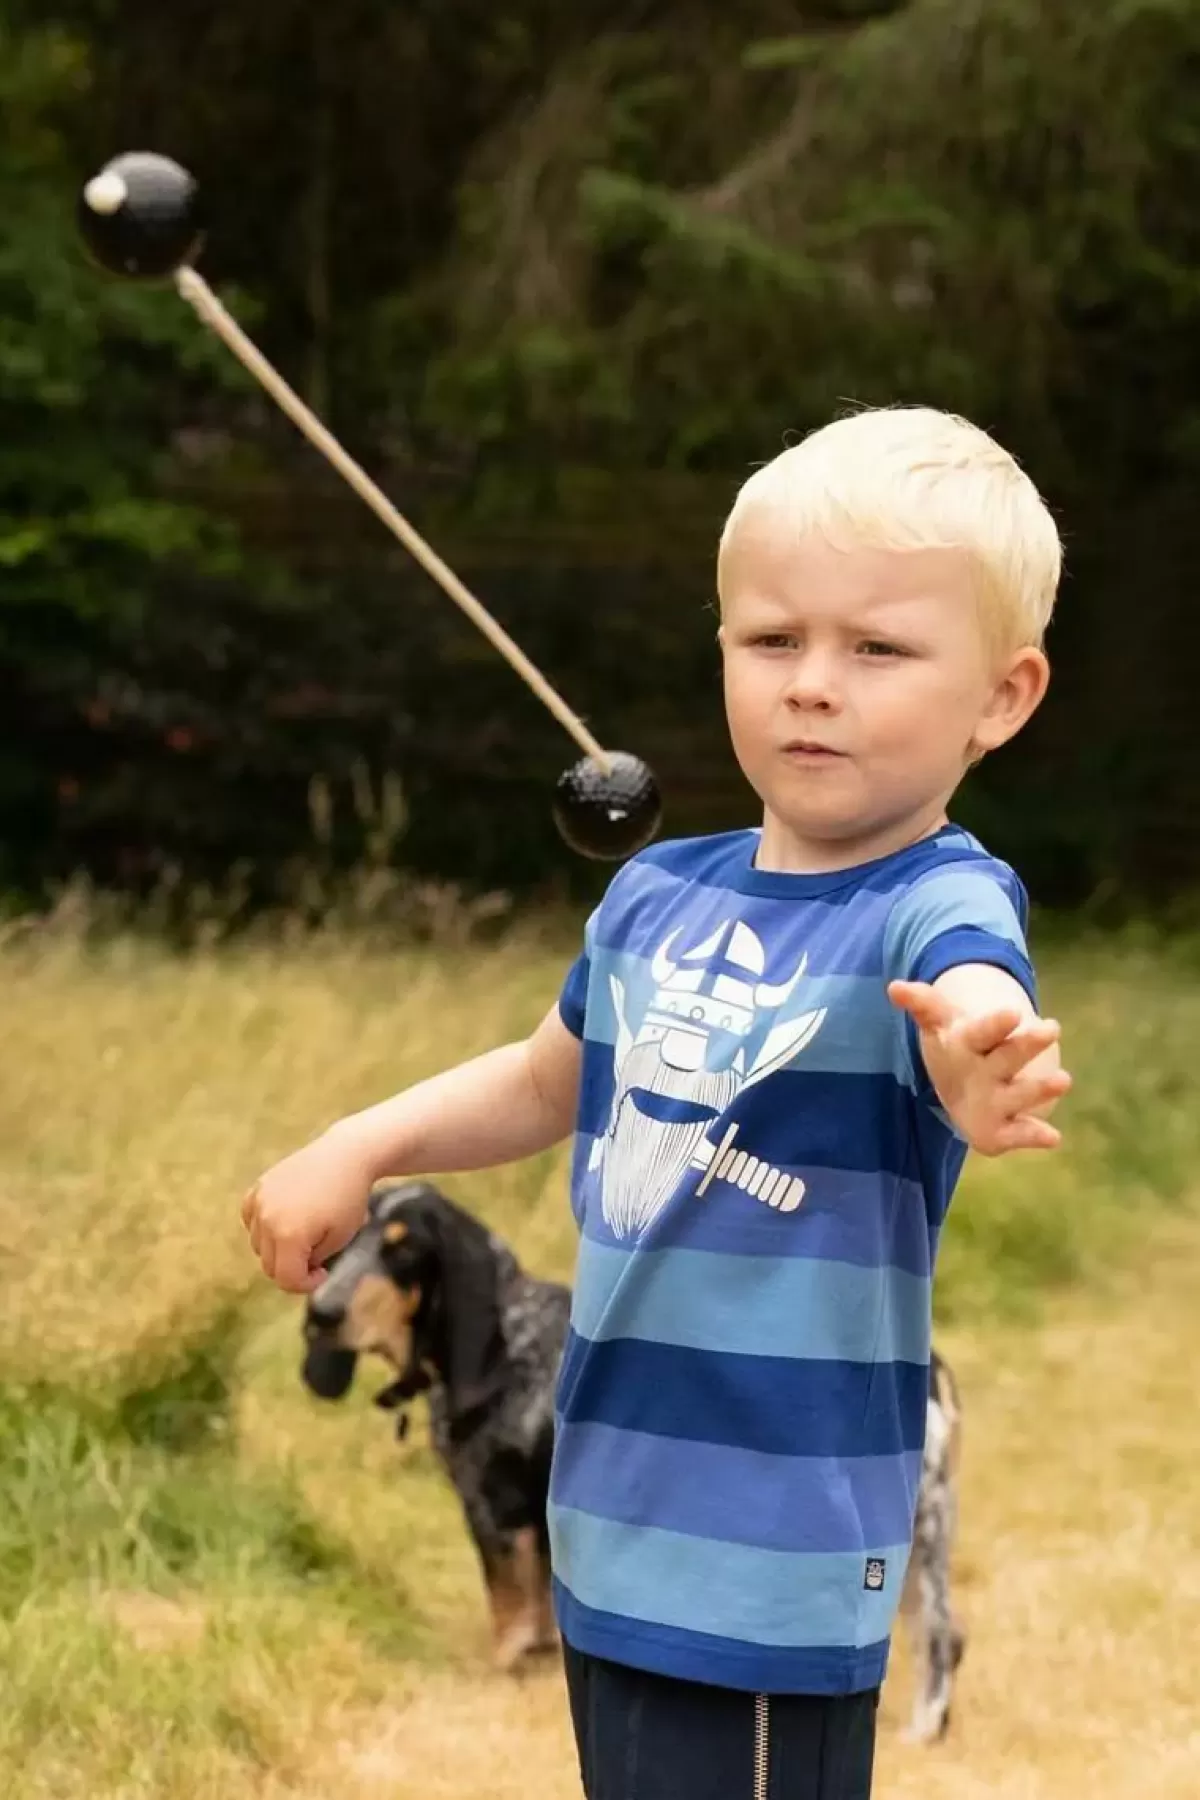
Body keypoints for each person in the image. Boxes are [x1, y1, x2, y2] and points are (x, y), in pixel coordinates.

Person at [242, 405, 1072, 1800]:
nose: (813, 683)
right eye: (772, 640)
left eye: (877, 649)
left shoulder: (928, 902)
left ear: (1001, 696)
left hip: (770, 1551)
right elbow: (539, 1081)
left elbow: (968, 992)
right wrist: (360, 1143)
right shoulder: (656, 892)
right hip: (610, 1517)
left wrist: (982, 1051)